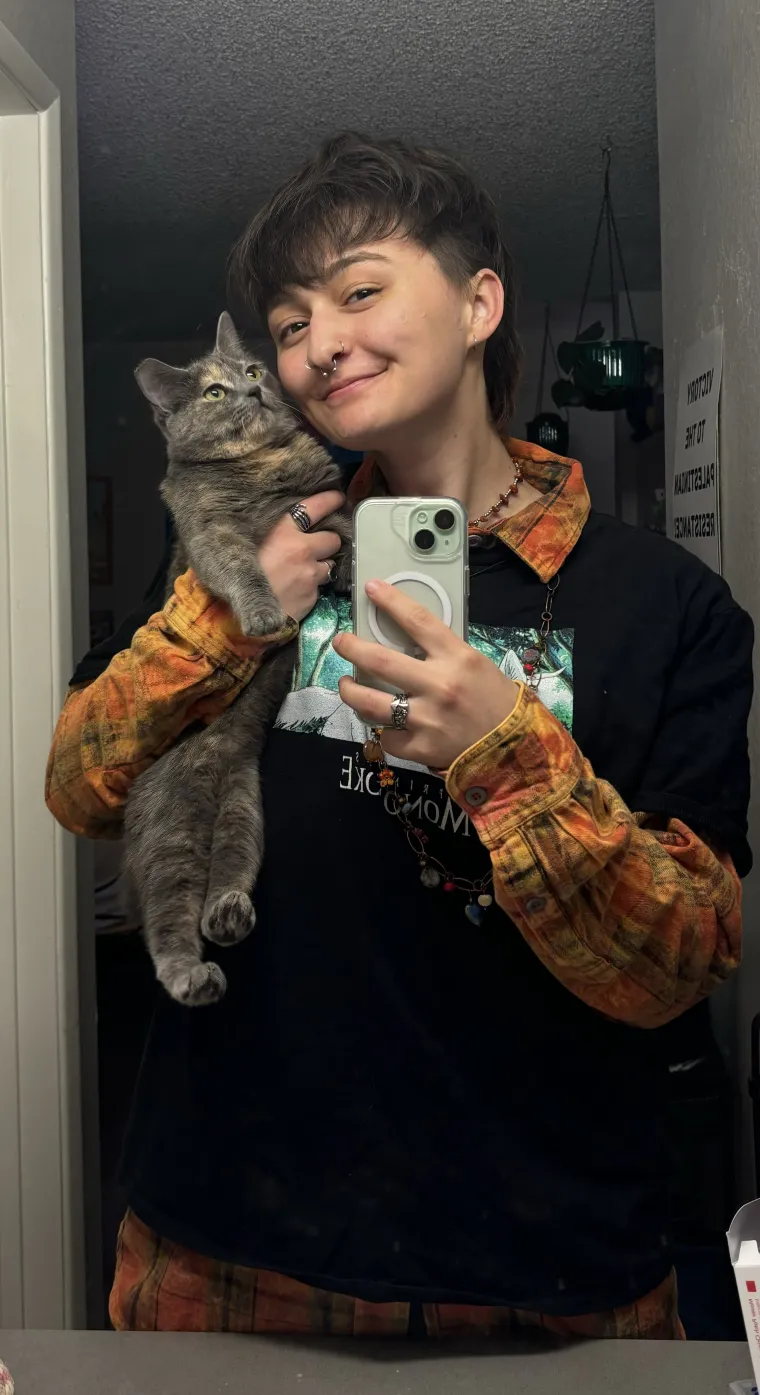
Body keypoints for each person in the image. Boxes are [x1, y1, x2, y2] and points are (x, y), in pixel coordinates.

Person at [47, 133, 752, 1340]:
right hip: (226, 1252)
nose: (319, 342)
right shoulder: (259, 561)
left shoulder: (662, 605)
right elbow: (81, 786)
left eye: (360, 290)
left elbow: (680, 963)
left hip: (550, 1276)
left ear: (479, 302)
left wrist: (503, 747)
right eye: (287, 321)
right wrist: (228, 611)